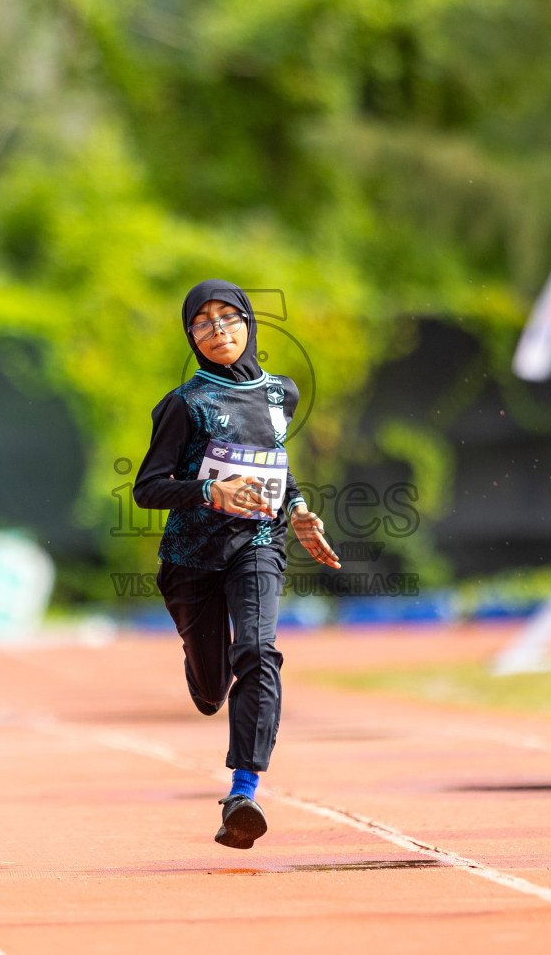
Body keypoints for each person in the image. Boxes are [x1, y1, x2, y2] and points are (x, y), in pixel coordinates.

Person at [134, 280, 340, 849]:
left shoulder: (282, 394)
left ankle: (243, 791)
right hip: (191, 559)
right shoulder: (185, 404)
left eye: (228, 317)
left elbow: (278, 469)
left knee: (258, 650)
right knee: (210, 689)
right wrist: (210, 493)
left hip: (258, 543)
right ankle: (204, 670)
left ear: (249, 323)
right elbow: (148, 488)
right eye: (202, 322)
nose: (218, 329)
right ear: (191, 337)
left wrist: (297, 509)